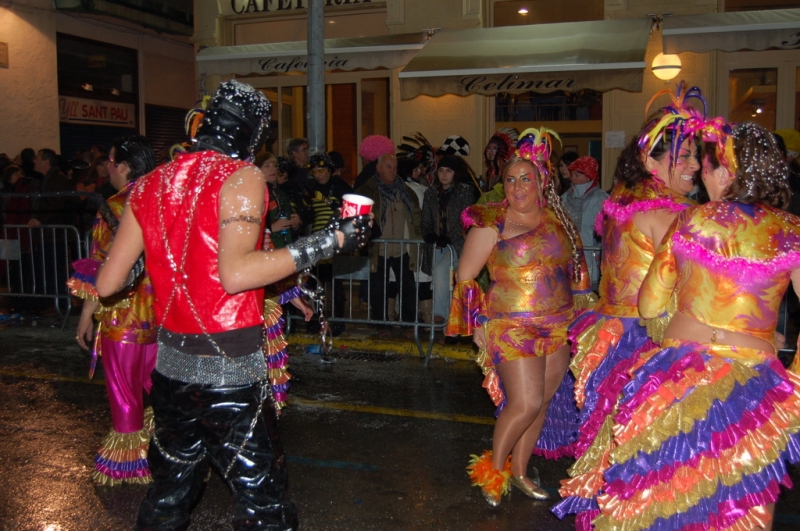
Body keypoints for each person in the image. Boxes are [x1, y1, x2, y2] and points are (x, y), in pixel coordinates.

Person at [94, 79, 371, 530]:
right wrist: (329, 241)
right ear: (251, 133)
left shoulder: (149, 185)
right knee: (264, 504)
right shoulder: (240, 178)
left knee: (168, 495)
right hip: (229, 368)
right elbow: (237, 274)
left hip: (170, 370)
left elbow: (108, 283)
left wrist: (154, 257)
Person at [563, 121, 800, 531]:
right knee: (745, 500)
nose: (699, 171)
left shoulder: (690, 222)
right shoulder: (792, 232)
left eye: (705, 163)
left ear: (727, 171)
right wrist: (795, 384)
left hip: (677, 378)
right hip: (754, 382)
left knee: (665, 499)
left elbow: (651, 304)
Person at [552, 83, 706, 526]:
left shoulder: (622, 201)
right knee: (648, 448)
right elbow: (686, 289)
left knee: (609, 438)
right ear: (649, 160)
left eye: (697, 155)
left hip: (608, 333)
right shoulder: (675, 213)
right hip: (646, 339)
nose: (695, 165)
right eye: (683, 157)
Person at [447, 129, 595, 507]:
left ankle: (521, 471)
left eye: (525, 178)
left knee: (542, 403)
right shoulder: (491, 222)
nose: (517, 187)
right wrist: (477, 322)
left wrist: (587, 313)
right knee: (525, 403)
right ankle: (493, 473)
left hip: (559, 325)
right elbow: (465, 276)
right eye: (510, 179)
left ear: (541, 181)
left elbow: (577, 270)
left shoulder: (558, 217)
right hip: (512, 326)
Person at [68, 135, 158, 486]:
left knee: (125, 394)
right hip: (165, 319)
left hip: (124, 319)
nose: (106, 165)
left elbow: (103, 269)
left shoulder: (116, 207)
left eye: (110, 159)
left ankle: (131, 469)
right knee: (165, 392)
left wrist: (86, 314)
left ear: (123, 166)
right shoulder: (164, 201)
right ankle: (177, 456)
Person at [356, 153, 421, 327]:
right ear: (378, 168)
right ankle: (380, 325)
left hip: (403, 248)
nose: (392, 171)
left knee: (408, 288)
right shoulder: (367, 191)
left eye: (395, 167)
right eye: (388, 166)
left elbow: (416, 220)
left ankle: (409, 324)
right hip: (379, 249)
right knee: (378, 289)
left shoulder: (407, 192)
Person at [421, 155, 478, 325]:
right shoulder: (431, 193)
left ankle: (441, 314)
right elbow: (425, 219)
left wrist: (449, 237)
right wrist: (430, 234)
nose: (444, 175)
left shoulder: (464, 191)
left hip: (458, 245)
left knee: (442, 273)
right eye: (441, 171)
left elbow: (465, 219)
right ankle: (444, 317)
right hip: (437, 244)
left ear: (455, 173)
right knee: (439, 278)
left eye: (448, 171)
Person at [302, 152, 353, 336]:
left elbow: (349, 210)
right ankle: (315, 321)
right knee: (315, 285)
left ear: (330, 170)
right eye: (314, 171)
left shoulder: (339, 186)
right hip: (317, 241)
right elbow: (309, 215)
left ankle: (338, 321)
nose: (318, 174)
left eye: (321, 170)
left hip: (335, 241)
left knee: (336, 285)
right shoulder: (311, 186)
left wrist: (327, 202)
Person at [561, 156, 608, 286]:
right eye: (572, 174)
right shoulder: (564, 198)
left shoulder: (601, 200)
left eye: (578, 174)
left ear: (589, 177)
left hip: (593, 258)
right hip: (568, 256)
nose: (573, 178)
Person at [482, 128, 518, 194]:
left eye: (495, 148)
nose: (491, 152)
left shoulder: (506, 171)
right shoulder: (489, 172)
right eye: (489, 148)